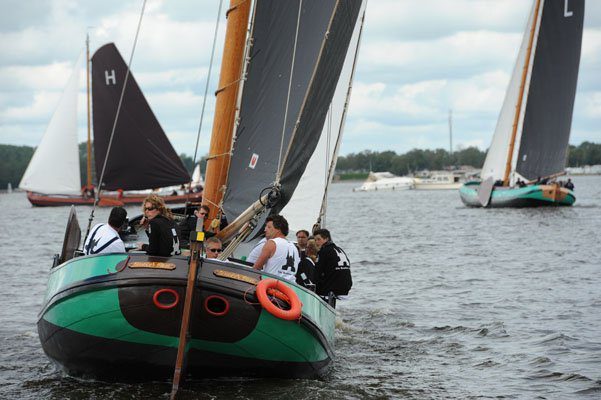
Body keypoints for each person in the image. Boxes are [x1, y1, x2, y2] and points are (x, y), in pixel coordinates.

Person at [252, 215, 299, 282]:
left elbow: (256, 269)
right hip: (290, 288)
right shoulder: (294, 248)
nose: (265, 230)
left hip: (272, 287)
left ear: (278, 229)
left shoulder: (271, 243)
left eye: (269, 227)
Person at [313, 228, 352, 298]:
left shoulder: (324, 251)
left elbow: (317, 272)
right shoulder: (339, 249)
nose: (316, 242)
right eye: (315, 240)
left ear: (326, 239)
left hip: (332, 289)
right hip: (346, 287)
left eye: (319, 239)